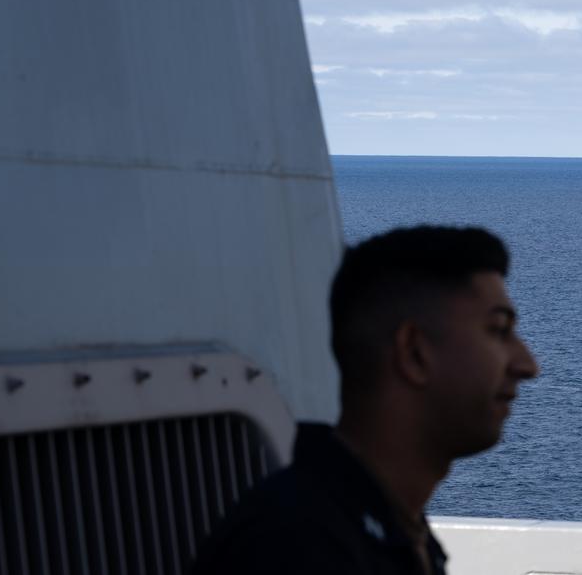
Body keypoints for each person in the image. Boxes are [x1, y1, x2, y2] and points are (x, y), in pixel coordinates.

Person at [192, 226, 540, 575]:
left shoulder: (386, 529)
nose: (528, 365)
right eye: (498, 331)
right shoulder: (297, 547)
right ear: (414, 353)